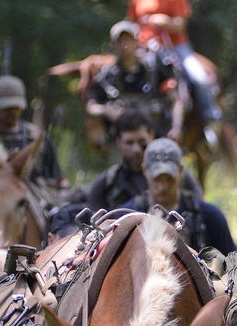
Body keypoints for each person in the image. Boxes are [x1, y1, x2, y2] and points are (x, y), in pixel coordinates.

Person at [0, 74, 68, 200]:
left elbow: (58, 180)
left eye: (16, 107)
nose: (12, 112)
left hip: (34, 204)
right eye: (6, 108)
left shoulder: (39, 140)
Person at [126, 0, 222, 145]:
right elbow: (130, 24)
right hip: (143, 49)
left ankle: (211, 121)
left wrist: (165, 21)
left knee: (200, 79)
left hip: (175, 47)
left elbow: (180, 26)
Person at [121, 137, 236, 254]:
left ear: (180, 171)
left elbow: (233, 265)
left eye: (169, 179)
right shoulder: (126, 218)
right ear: (144, 170)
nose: (163, 186)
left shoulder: (209, 217)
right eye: (157, 179)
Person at [84, 109, 200, 213]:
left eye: (141, 141)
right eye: (129, 142)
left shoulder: (179, 176)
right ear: (118, 141)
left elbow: (200, 209)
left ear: (151, 135)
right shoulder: (109, 182)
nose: (136, 149)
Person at [86, 20, 185, 141]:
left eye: (128, 40)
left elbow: (175, 100)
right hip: (122, 142)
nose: (125, 45)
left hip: (155, 137)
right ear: (113, 44)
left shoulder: (155, 68)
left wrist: (176, 128)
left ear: (137, 41)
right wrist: (105, 111)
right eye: (120, 41)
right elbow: (91, 106)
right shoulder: (107, 75)